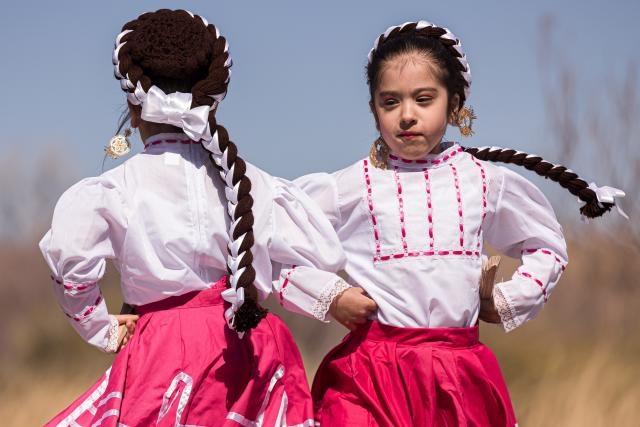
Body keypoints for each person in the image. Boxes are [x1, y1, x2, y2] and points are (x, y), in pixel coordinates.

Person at [294, 20, 626, 426]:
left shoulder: (483, 181)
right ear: (373, 109)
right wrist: (331, 295)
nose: (407, 115)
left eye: (423, 99)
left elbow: (547, 245)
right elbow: (275, 236)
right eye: (390, 101)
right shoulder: (351, 186)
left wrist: (504, 300)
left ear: (453, 106)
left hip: (458, 379)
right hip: (369, 377)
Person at [40, 9, 351, 426]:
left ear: (134, 111)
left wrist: (103, 328)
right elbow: (310, 258)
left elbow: (70, 267)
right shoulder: (250, 182)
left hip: (163, 353)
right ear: (210, 102)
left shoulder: (115, 190)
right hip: (252, 353)